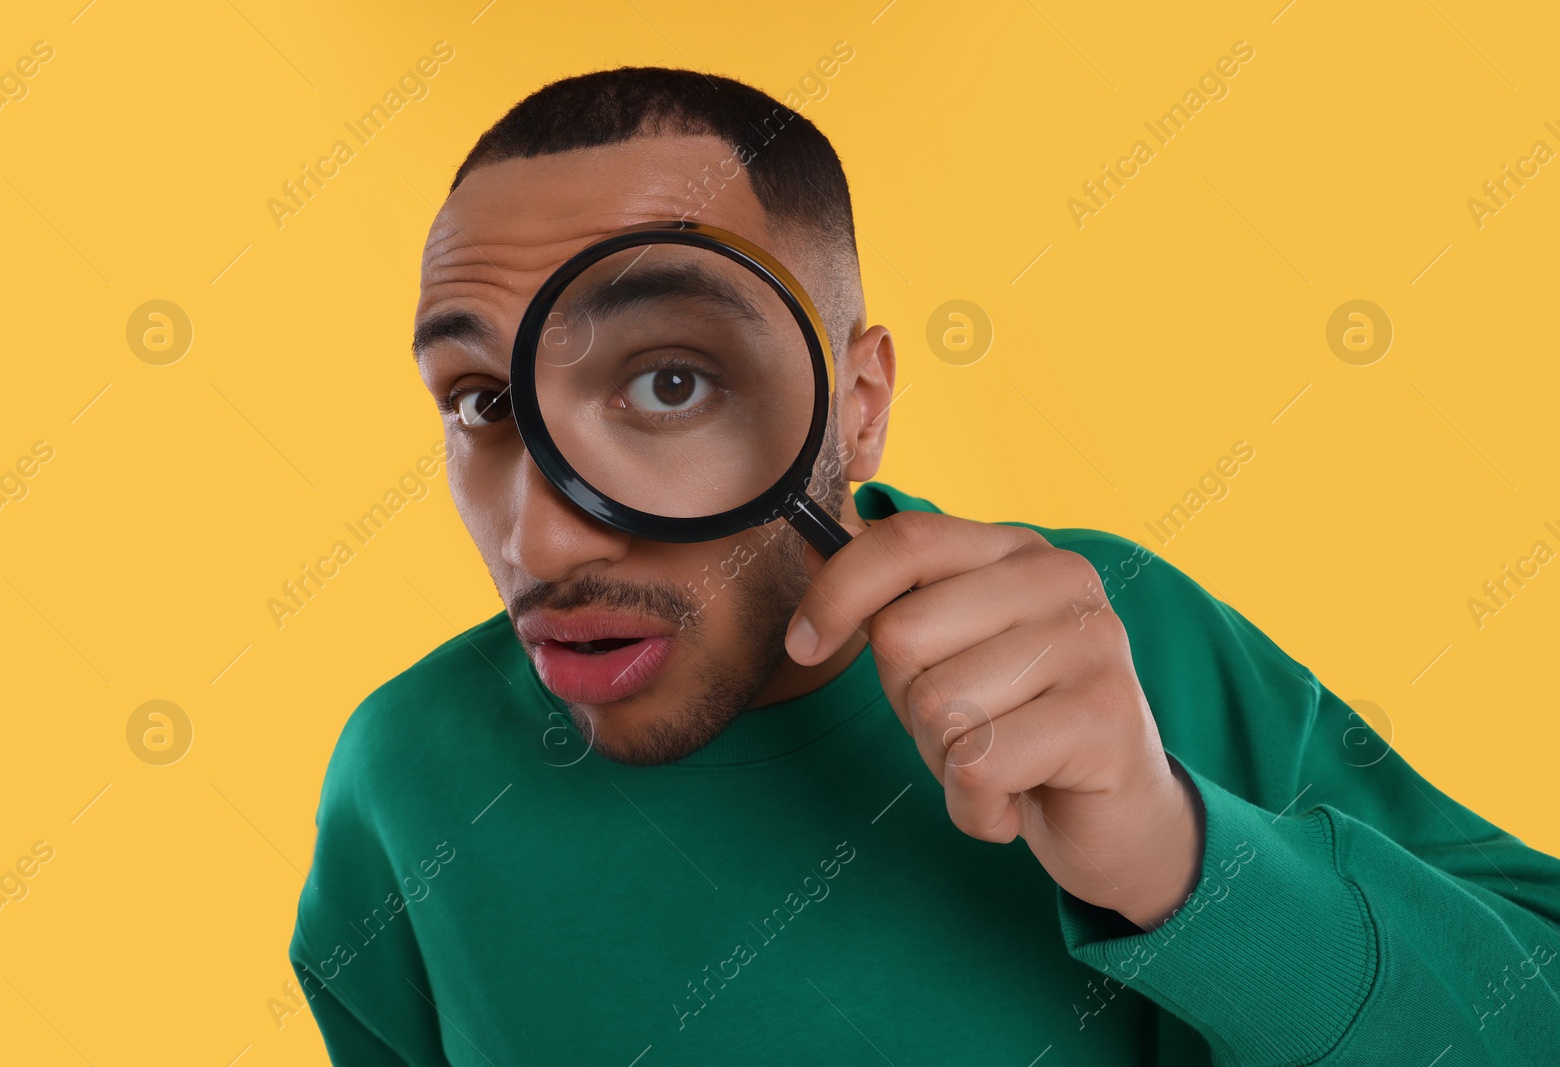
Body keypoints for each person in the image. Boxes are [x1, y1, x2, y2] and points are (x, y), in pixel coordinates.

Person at [288, 66, 1560, 1065]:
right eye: (478, 403)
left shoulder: (1100, 637)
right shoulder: (398, 779)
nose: (541, 537)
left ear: (854, 405)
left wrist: (1180, 858)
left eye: (669, 379)